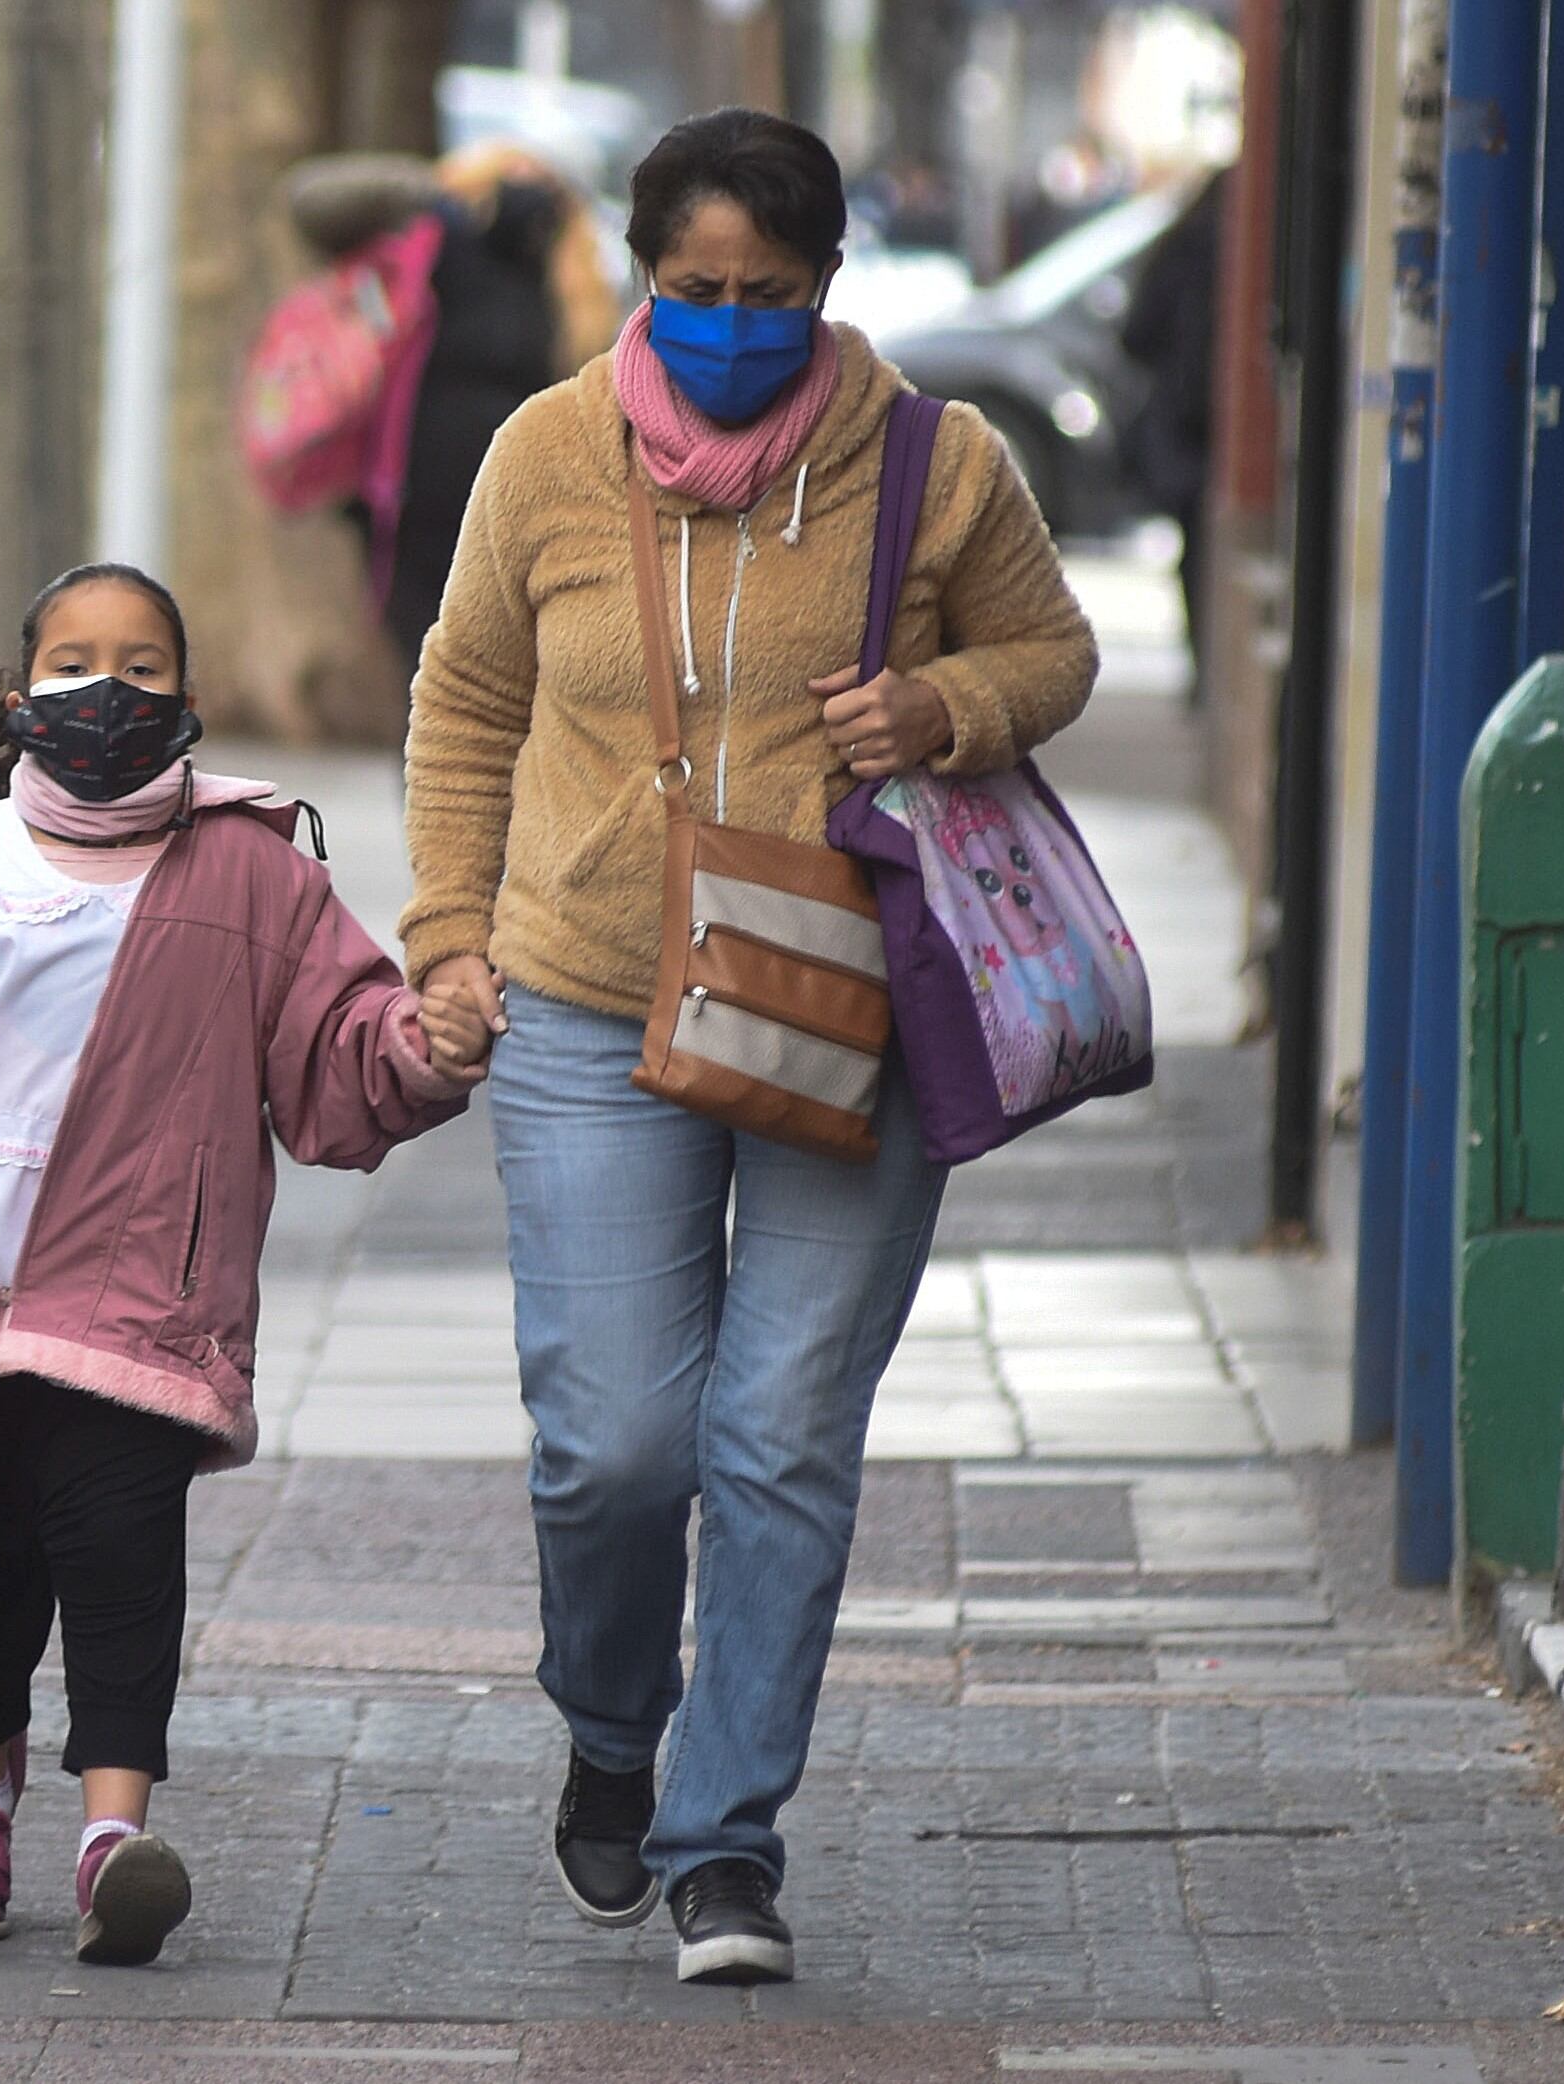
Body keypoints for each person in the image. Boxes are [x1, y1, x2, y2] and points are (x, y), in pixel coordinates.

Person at [400, 109, 1100, 1986]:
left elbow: (1054, 657)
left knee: (781, 1432)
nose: (725, 324)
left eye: (764, 296)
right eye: (692, 291)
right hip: (581, 995)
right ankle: (614, 1730)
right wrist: (449, 937)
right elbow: (463, 703)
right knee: (617, 1441)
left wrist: (941, 703)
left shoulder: (937, 467)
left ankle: (725, 1840)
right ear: (643, 276)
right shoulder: (543, 455)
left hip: (844, 1000)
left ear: (827, 284)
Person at [0, 563, 488, 1966]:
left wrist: (428, 1047)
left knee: (117, 1554)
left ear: (190, 703)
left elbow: (335, 1058)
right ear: (20, 696)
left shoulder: (257, 875)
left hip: (139, 1290)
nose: (111, 691)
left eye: (145, 668)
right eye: (79, 660)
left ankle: (113, 1834)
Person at [285, 143, 622, 672]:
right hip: (417, 505)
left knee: (479, 669)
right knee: (437, 664)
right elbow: (311, 202)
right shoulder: (435, 247)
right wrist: (431, 192)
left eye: (538, 191)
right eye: (507, 183)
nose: (521, 200)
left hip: (508, 507)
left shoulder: (567, 284)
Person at [1118, 168, 1227, 694]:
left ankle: (1202, 665)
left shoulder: (1181, 247)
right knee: (1202, 545)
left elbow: (1135, 334)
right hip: (1201, 424)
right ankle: (1206, 666)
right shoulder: (1225, 255)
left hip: (1186, 424)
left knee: (1193, 547)